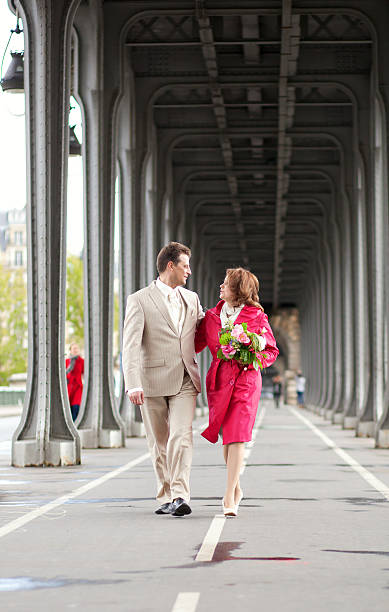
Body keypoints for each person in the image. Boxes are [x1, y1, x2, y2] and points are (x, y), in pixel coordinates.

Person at [122, 242, 204, 517]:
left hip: (185, 378)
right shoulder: (139, 299)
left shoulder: (191, 298)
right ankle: (166, 494)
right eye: (185, 266)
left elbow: (206, 329)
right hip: (151, 379)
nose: (189, 271)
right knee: (159, 442)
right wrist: (132, 382)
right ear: (171, 266)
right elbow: (130, 344)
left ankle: (180, 494)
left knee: (181, 435)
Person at [195, 268, 279, 517]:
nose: (220, 286)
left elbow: (271, 350)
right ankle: (238, 487)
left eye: (226, 283)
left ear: (239, 290)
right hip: (220, 382)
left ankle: (229, 495)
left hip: (246, 381)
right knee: (227, 438)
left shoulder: (257, 316)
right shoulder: (210, 317)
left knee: (237, 436)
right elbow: (193, 343)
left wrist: (253, 357)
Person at [65, 343, 84, 421]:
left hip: (78, 387)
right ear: (70, 350)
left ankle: (75, 424)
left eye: (77, 348)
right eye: (74, 349)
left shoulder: (82, 361)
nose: (76, 350)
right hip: (68, 387)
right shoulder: (66, 361)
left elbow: (84, 373)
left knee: (76, 406)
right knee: (67, 407)